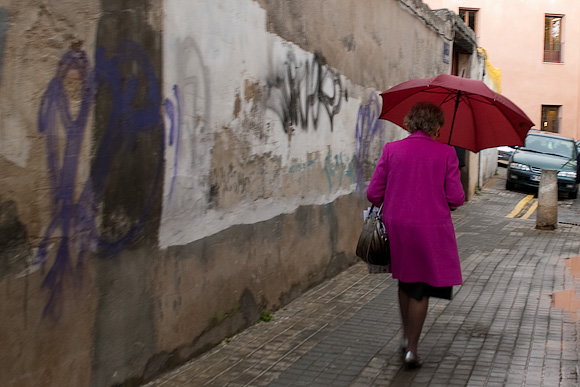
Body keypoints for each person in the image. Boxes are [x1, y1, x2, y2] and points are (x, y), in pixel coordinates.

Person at [366, 101, 465, 368]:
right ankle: (412, 348)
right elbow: (456, 197)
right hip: (430, 230)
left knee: (404, 281)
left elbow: (373, 193)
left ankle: (404, 337)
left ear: (410, 121)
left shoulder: (392, 150)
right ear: (436, 125)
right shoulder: (446, 154)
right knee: (420, 287)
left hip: (396, 227)